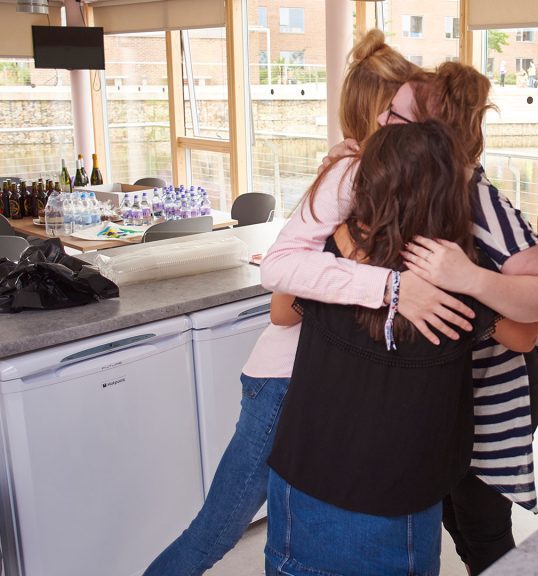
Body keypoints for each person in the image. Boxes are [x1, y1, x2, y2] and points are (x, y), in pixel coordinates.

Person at [264, 61, 538, 574]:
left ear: (431, 139)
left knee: (480, 530)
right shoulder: (367, 227)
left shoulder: (479, 205)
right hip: (420, 431)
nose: (379, 122)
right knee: (453, 517)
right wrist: (385, 277)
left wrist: (464, 279)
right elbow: (285, 287)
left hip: (486, 404)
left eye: (395, 116)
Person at [141, 29, 419, 576]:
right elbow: (284, 308)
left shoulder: (379, 177)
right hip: (283, 384)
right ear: (381, 116)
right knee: (215, 533)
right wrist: (360, 261)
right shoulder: (347, 178)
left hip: (316, 382)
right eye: (405, 110)